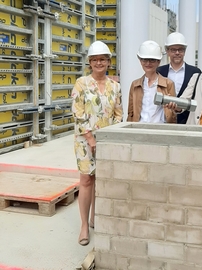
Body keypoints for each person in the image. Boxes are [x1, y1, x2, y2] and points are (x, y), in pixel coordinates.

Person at [71, 41, 122, 246]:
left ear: (109, 62)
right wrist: (91, 138)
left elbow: (118, 114)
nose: (99, 63)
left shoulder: (115, 86)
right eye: (95, 60)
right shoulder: (81, 84)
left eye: (102, 59)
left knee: (101, 180)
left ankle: (95, 217)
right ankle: (84, 225)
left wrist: (109, 137)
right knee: (86, 180)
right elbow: (78, 113)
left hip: (106, 141)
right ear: (90, 63)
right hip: (85, 140)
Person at [127, 40, 176, 123]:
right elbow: (130, 113)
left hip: (160, 131)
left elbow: (173, 114)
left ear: (158, 62)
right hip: (139, 130)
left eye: (152, 60)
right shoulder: (135, 85)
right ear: (140, 61)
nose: (148, 63)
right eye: (144, 60)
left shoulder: (168, 84)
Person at [157, 32, 201, 124]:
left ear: (184, 51)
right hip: (164, 121)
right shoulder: (159, 71)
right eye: (173, 50)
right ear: (167, 51)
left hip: (187, 122)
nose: (177, 53)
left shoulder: (195, 72)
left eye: (180, 49)